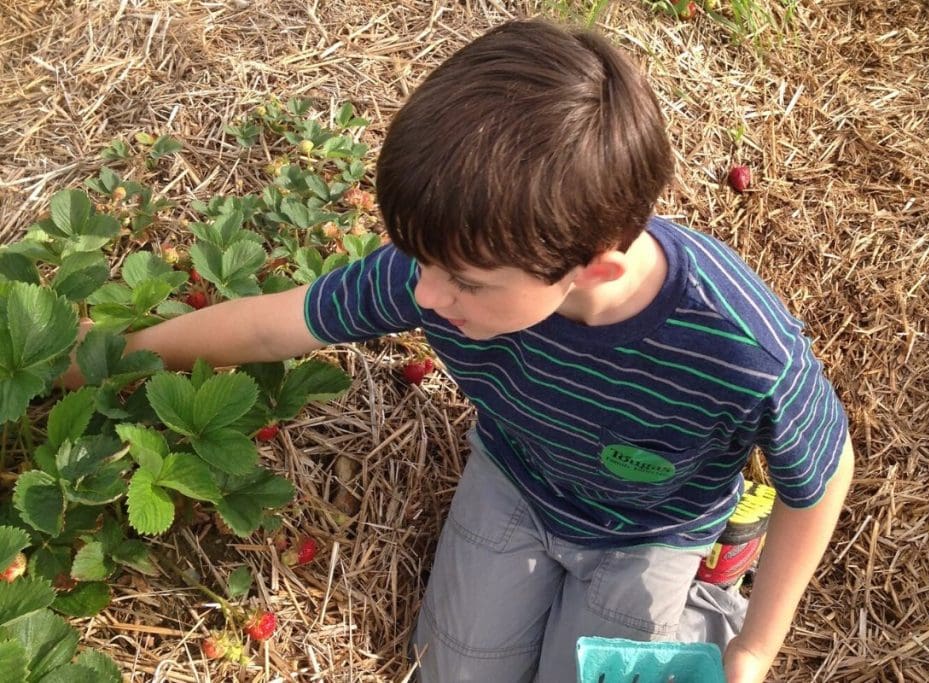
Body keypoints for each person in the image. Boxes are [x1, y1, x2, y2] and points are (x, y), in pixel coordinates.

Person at [67, 19, 853, 683]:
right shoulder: (444, 263)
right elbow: (278, 325)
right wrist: (113, 356)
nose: (430, 298)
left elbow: (821, 477)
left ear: (595, 266)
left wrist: (755, 652)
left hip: (650, 530)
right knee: (453, 668)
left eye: (467, 283)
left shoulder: (739, 345)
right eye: (428, 267)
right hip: (518, 479)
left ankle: (711, 604)